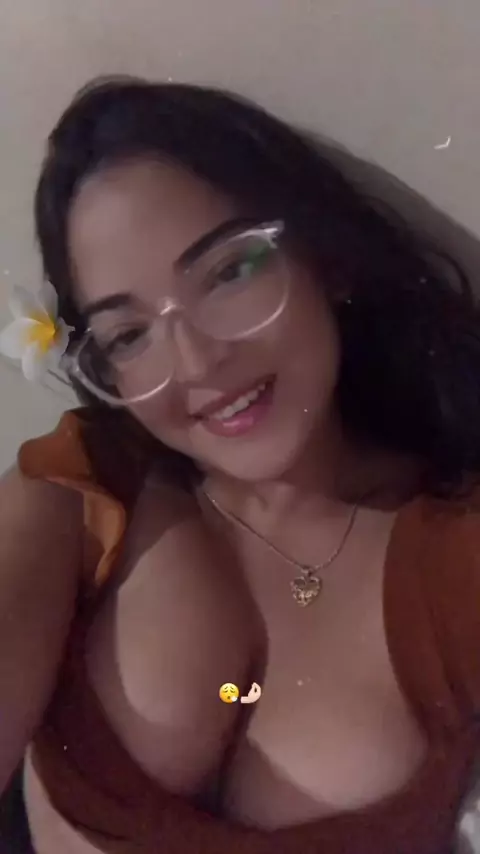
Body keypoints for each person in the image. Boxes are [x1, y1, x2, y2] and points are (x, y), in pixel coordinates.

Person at [1, 76, 480, 854]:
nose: (196, 363)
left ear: (325, 258)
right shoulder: (83, 483)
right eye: (129, 335)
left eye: (227, 273)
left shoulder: (453, 553)